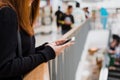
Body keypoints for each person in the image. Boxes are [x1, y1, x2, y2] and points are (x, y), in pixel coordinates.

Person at [0, 0, 74, 80]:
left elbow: (21, 54)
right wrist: (47, 53)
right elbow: (5, 67)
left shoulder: (17, 13)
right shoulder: (7, 13)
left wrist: (46, 48)